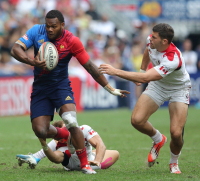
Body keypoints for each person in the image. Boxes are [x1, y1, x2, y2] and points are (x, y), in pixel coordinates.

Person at [11, 10, 129, 174]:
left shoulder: (71, 41)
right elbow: (15, 48)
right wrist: (32, 61)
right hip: (40, 88)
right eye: (48, 26)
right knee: (40, 130)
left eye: (54, 26)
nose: (50, 29)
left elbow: (90, 67)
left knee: (71, 120)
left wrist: (110, 88)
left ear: (62, 25)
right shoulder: (36, 31)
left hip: (60, 86)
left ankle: (85, 165)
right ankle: (64, 134)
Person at [99, 23, 191, 174]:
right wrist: (142, 69)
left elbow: (146, 78)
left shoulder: (173, 58)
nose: (150, 39)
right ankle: (158, 138)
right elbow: (147, 51)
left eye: (154, 37)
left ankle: (174, 163)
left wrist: (115, 71)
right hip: (158, 85)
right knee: (137, 120)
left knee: (176, 133)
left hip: (178, 89)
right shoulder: (152, 41)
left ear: (164, 42)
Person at [16, 120, 119, 172]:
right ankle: (94, 159)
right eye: (62, 133)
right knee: (109, 157)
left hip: (90, 160)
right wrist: (42, 145)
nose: (67, 131)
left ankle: (92, 155)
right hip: (78, 165)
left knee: (116, 153)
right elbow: (51, 157)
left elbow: (100, 145)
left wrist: (97, 159)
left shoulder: (83, 129)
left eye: (66, 128)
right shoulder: (58, 144)